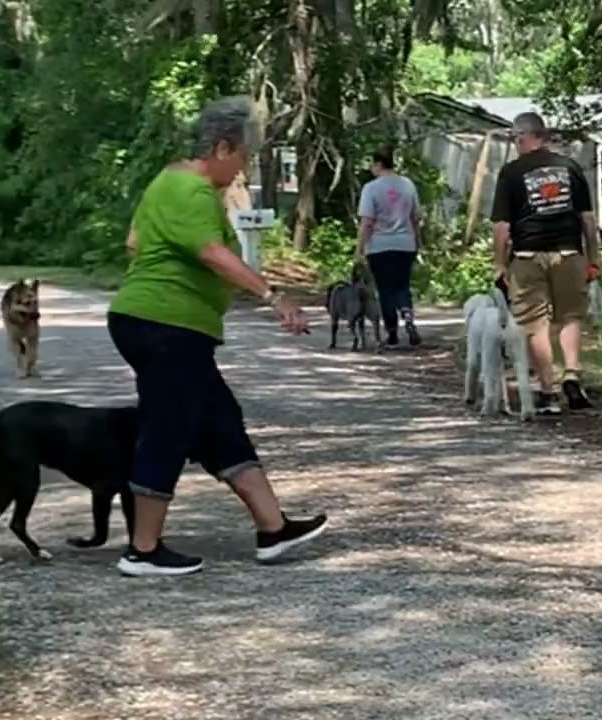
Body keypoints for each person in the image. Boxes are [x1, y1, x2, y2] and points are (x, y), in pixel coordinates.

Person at [106, 95, 329, 577]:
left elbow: (133, 243)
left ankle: (273, 529)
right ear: (223, 147)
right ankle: (142, 550)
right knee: (168, 427)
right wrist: (273, 297)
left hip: (169, 325)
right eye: (245, 157)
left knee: (219, 421)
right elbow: (211, 251)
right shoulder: (189, 190)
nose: (243, 169)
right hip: (167, 326)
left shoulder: (172, 185)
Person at [490, 112, 599, 415]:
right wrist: (593, 259)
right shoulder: (570, 167)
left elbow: (502, 226)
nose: (514, 143)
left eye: (515, 138)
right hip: (568, 253)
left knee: (534, 324)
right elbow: (587, 220)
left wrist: (499, 264)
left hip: (526, 257)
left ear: (527, 136)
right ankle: (573, 376)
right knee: (571, 315)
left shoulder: (511, 173)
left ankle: (549, 392)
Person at [356, 144, 422, 347]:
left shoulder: (371, 188)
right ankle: (408, 316)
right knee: (402, 285)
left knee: (385, 289)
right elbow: (415, 218)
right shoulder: (408, 185)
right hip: (405, 244)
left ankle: (392, 332)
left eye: (372, 165)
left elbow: (367, 222)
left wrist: (359, 249)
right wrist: (417, 242)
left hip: (380, 246)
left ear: (378, 164)